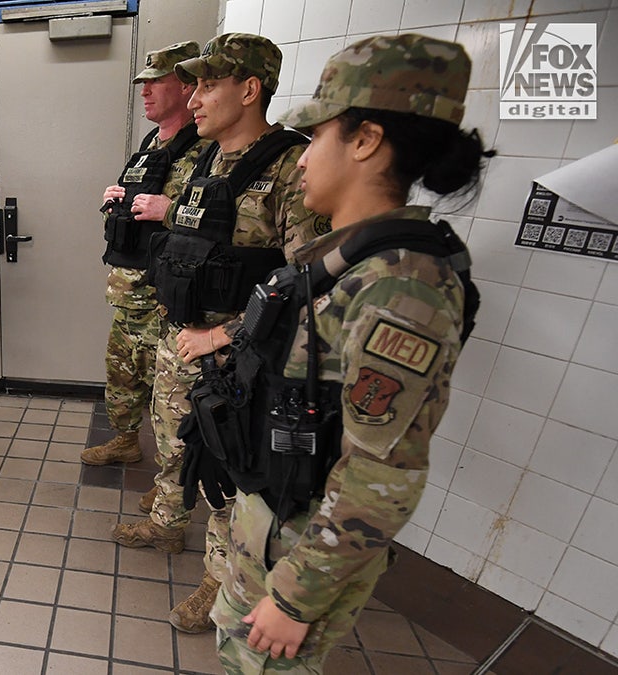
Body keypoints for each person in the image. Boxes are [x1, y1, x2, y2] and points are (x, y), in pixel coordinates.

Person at [205, 34, 486, 672]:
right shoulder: (346, 258)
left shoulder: (401, 286)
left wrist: (297, 598)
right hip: (268, 521)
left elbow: (383, 474)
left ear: (365, 140)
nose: (303, 159)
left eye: (320, 136)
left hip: (300, 551)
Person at [110, 33, 330, 634]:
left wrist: (221, 337)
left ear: (250, 89)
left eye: (208, 85)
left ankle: (219, 581)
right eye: (195, 84)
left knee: (229, 476)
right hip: (181, 341)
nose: (195, 97)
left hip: (238, 360)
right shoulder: (204, 158)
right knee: (174, 442)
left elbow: (309, 284)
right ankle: (165, 521)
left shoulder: (290, 167)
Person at [80, 42, 212, 486]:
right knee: (122, 376)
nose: (146, 91)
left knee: (170, 397)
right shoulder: (150, 144)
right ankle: (124, 440)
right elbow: (134, 203)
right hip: (129, 291)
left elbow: (220, 221)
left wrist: (169, 208)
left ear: (188, 86)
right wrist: (112, 200)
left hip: (166, 299)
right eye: (143, 83)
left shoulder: (207, 149)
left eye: (157, 81)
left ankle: (169, 490)